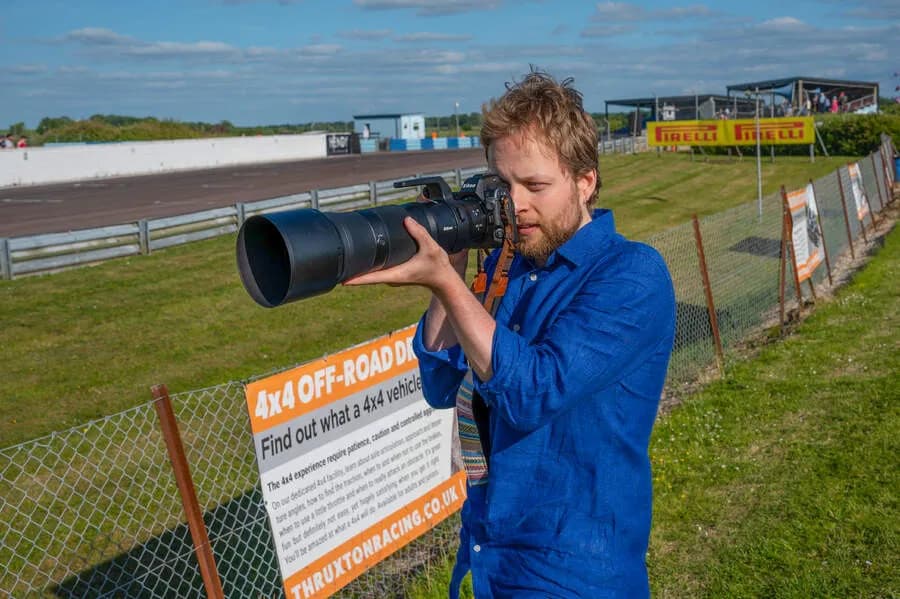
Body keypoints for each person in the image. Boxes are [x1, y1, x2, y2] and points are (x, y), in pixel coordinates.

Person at [345, 71, 676, 598]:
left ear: (585, 181)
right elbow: (441, 383)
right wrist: (447, 271)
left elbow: (531, 392)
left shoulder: (631, 275)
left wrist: (448, 283)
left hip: (574, 568)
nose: (515, 204)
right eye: (503, 185)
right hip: (493, 553)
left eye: (536, 186)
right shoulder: (507, 266)